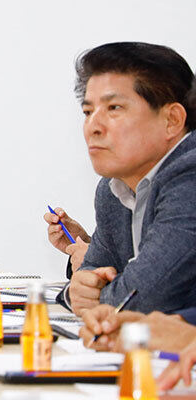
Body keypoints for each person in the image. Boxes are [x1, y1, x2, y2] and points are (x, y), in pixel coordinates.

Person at [58, 42, 196, 315]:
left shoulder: (190, 175)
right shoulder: (113, 189)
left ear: (172, 120)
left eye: (114, 108)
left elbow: (144, 298)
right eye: (88, 112)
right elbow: (89, 274)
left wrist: (92, 296)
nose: (93, 126)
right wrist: (77, 291)